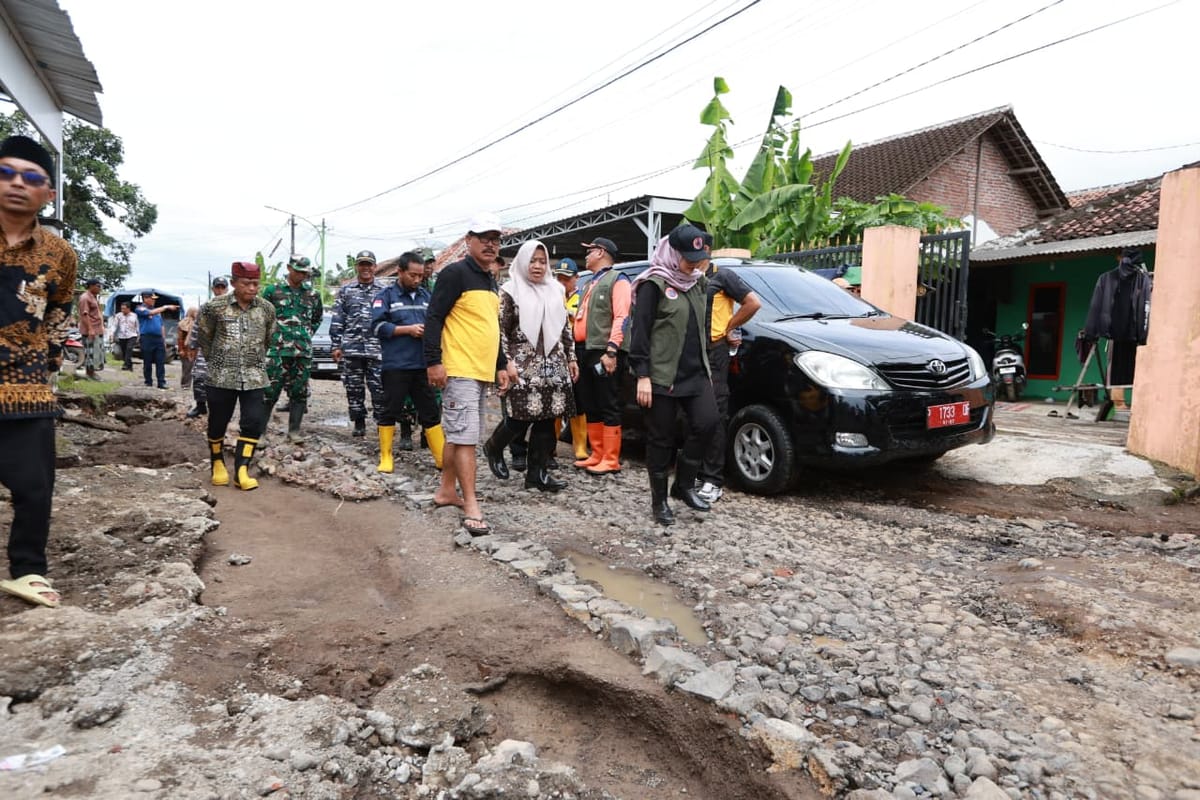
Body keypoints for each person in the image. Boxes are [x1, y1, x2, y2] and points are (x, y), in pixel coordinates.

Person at [0, 134, 77, 608]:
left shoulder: (59, 253)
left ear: (47, 193)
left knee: (34, 486)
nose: (16, 184)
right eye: (6, 172)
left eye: (31, 178)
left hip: (25, 388)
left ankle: (27, 570)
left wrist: (46, 368)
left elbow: (57, 314)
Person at [423, 213, 511, 533]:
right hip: (459, 368)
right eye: (484, 238)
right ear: (468, 240)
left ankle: (447, 490)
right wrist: (433, 361)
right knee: (467, 439)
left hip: (481, 369)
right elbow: (434, 318)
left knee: (458, 435)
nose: (490, 244)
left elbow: (491, 328)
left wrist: (500, 364)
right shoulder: (454, 274)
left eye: (495, 239)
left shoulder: (489, 279)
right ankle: (471, 502)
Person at [629, 226, 720, 526]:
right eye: (687, 258)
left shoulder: (698, 283)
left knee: (707, 423)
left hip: (695, 372)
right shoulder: (652, 284)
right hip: (661, 375)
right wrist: (642, 374)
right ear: (672, 253)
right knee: (661, 439)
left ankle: (684, 484)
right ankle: (659, 501)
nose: (693, 264)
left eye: (698, 257)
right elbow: (640, 332)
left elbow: (702, 325)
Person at [484, 240, 578, 492]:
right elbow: (500, 331)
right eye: (532, 260)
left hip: (554, 364)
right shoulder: (509, 290)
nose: (537, 266)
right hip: (522, 365)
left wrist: (571, 358)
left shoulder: (556, 290)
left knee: (547, 421)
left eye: (542, 261)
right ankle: (493, 446)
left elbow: (565, 328)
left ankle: (537, 474)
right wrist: (505, 364)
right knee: (519, 418)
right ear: (523, 261)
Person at [197, 261, 276, 490]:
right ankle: (217, 462)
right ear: (233, 283)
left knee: (252, 422)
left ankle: (242, 469)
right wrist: (220, 360)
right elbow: (205, 338)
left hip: (254, 376)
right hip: (221, 376)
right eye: (246, 283)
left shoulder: (266, 309)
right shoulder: (215, 307)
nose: (252, 288)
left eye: (255, 284)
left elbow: (268, 338)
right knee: (218, 421)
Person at [696, 234, 762, 504]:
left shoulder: (722, 276)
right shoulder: (686, 277)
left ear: (707, 250)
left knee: (715, 413)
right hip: (692, 353)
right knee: (694, 414)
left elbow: (753, 303)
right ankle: (697, 472)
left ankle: (713, 479)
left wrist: (729, 327)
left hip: (715, 351)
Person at [371, 251, 445, 473]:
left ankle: (441, 458)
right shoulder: (385, 296)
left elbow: (437, 323)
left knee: (430, 411)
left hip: (423, 366)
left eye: (420, 276)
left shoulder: (426, 296)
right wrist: (407, 330)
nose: (417, 280)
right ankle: (386, 456)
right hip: (396, 365)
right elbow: (376, 327)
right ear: (400, 272)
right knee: (390, 410)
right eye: (412, 275)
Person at [572, 236, 631, 475]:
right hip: (585, 349)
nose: (586, 255)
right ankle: (596, 453)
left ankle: (611, 457)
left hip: (604, 350)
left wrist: (612, 350)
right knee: (591, 403)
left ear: (601, 252)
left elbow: (622, 316)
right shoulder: (589, 283)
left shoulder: (618, 280)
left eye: (590, 251)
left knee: (608, 402)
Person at [263, 254, 323, 443]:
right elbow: (261, 317)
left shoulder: (312, 294)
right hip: (277, 351)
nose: (301, 275)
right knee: (269, 391)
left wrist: (304, 335)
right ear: (289, 268)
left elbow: (317, 318)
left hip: (302, 352)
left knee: (300, 391)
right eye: (298, 271)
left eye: (305, 273)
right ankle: (260, 433)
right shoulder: (273, 291)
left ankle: (294, 431)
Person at [331, 250, 385, 437]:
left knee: (379, 389)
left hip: (377, 349)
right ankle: (359, 422)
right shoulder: (346, 290)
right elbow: (338, 319)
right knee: (354, 389)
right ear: (356, 267)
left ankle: (382, 424)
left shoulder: (383, 291)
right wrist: (336, 345)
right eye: (362, 264)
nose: (365, 268)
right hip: (351, 348)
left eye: (369, 264)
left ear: (375, 267)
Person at [553, 258, 589, 461]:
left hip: (576, 353)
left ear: (576, 278)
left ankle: (580, 446)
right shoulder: (550, 297)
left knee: (578, 400)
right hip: (554, 355)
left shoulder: (582, 298)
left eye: (566, 279)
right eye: (559, 278)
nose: (562, 282)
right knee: (554, 401)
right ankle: (551, 444)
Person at [186, 276, 228, 418]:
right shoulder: (205, 307)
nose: (220, 290)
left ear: (227, 289)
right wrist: (192, 346)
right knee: (199, 376)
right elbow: (197, 327)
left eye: (223, 287)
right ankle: (200, 406)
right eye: (218, 287)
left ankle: (220, 411)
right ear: (213, 289)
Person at [135, 290, 178, 389]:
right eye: (152, 299)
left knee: (160, 361)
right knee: (147, 361)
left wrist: (164, 340)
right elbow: (150, 313)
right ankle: (148, 381)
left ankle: (161, 382)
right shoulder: (140, 308)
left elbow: (161, 326)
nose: (154, 301)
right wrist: (166, 307)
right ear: (145, 298)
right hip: (147, 338)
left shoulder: (157, 312)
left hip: (158, 339)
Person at [77, 277, 104, 381]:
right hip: (90, 330)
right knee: (90, 353)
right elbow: (85, 315)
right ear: (91, 286)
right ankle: (90, 373)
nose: (100, 288)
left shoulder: (93, 297)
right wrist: (90, 329)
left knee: (96, 352)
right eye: (98, 286)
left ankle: (92, 372)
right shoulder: (85, 297)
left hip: (97, 329)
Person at [176, 307, 199, 390]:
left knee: (195, 368)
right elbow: (180, 338)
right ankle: (185, 385)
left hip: (195, 349)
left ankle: (192, 385)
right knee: (187, 368)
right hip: (186, 349)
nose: (197, 314)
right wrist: (181, 349)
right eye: (195, 312)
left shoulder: (197, 323)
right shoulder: (184, 323)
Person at [113, 301, 139, 371]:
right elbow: (115, 325)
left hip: (132, 335)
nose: (123, 310)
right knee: (124, 351)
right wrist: (112, 333)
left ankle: (125, 365)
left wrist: (139, 335)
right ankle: (129, 365)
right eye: (121, 309)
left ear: (128, 309)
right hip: (122, 336)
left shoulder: (134, 316)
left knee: (129, 348)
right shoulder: (118, 316)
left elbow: (137, 326)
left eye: (124, 309)